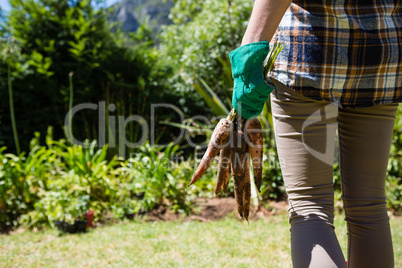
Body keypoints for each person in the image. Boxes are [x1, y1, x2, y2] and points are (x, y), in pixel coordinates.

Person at [229, 0, 401, 267]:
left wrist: (250, 49)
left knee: (310, 207)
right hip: (382, 50)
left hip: (307, 49)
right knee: (369, 205)